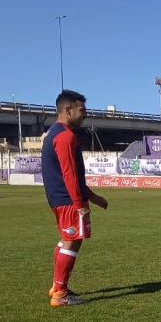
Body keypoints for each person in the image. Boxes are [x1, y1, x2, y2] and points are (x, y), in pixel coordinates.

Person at [42, 90, 109, 307]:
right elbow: (69, 173)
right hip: (67, 200)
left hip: (59, 198)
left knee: (66, 240)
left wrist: (93, 197)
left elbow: (73, 174)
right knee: (72, 241)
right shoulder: (65, 136)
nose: (85, 114)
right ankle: (60, 294)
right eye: (82, 110)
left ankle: (56, 285)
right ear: (68, 110)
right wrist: (80, 204)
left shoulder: (55, 132)